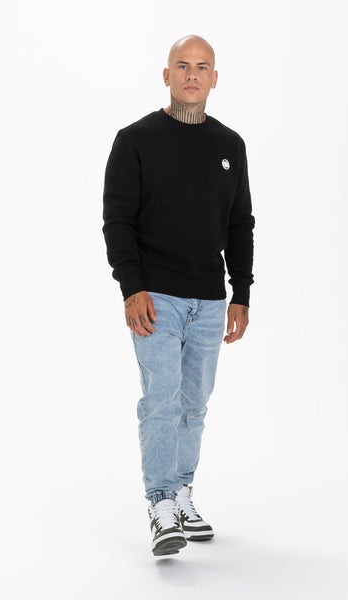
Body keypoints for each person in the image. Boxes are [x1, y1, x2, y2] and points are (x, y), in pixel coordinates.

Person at [101, 34, 255, 556]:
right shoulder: (135, 140)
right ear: (166, 75)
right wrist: (131, 288)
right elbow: (117, 219)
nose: (192, 75)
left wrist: (241, 293)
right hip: (155, 296)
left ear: (215, 78)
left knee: (194, 403)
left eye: (202, 67)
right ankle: (161, 502)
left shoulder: (230, 145)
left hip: (210, 299)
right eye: (183, 66)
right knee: (161, 398)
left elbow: (240, 223)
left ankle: (183, 493)